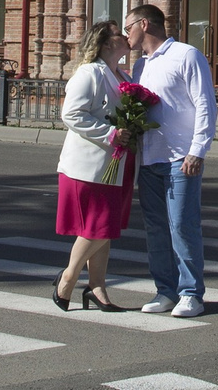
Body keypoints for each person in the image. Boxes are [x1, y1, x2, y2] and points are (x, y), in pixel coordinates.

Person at [125, 4, 216, 318]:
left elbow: (205, 103)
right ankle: (165, 290)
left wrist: (198, 150)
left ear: (144, 24)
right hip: (150, 158)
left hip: (181, 157)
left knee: (182, 226)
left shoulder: (186, 55)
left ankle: (192, 293)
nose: (127, 35)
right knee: (155, 228)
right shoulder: (140, 66)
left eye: (128, 28)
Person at [51, 20, 132, 312]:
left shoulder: (120, 73)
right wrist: (110, 133)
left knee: (105, 228)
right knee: (98, 226)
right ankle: (68, 278)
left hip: (113, 162)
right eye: (119, 33)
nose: (125, 36)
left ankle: (97, 287)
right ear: (107, 42)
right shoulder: (89, 73)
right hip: (88, 165)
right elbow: (72, 114)